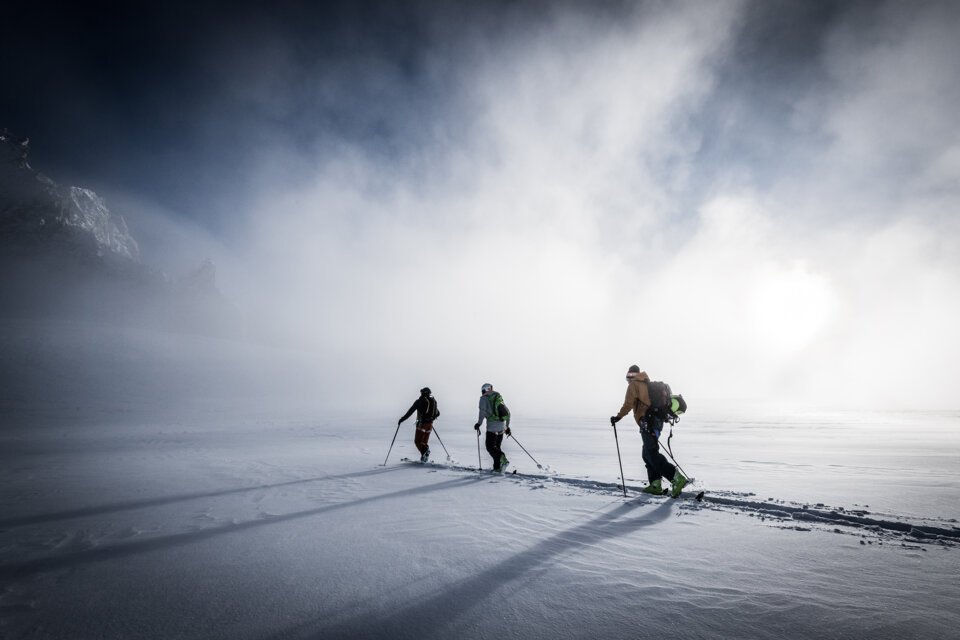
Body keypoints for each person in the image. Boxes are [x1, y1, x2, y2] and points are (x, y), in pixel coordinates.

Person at [610, 365, 688, 497]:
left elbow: (628, 404)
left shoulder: (634, 385)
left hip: (648, 422)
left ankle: (676, 477)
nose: (629, 379)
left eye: (629, 376)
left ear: (633, 375)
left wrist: (618, 417)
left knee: (651, 453)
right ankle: (655, 484)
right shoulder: (646, 383)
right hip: (656, 421)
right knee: (647, 453)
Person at [474, 383, 511, 472]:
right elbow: (507, 413)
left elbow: (482, 412)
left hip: (492, 426)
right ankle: (497, 468)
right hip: (501, 426)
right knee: (496, 448)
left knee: (490, 447)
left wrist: (479, 423)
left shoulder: (484, 399)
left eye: (482, 391)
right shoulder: (498, 396)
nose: (482, 393)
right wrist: (507, 427)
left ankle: (502, 457)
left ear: (485, 390)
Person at [398, 387, 440, 463]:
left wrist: (402, 419)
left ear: (422, 393)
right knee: (424, 442)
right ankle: (424, 458)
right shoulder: (433, 401)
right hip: (430, 425)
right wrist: (430, 418)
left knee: (418, 442)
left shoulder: (419, 401)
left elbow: (410, 412)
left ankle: (425, 452)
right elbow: (438, 413)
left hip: (421, 425)